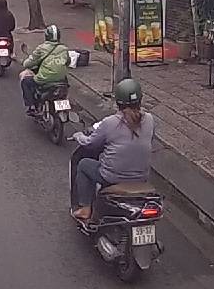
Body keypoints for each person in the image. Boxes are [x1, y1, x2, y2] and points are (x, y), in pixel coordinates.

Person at [69, 79, 154, 220]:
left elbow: (90, 143)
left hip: (113, 177)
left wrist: (78, 136)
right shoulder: (150, 119)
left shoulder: (110, 122)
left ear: (117, 102)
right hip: (142, 177)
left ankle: (85, 208)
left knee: (84, 164)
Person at [19, 24, 70, 113]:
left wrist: (25, 63)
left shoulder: (41, 48)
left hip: (45, 79)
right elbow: (68, 62)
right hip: (62, 80)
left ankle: (31, 106)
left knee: (26, 81)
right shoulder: (64, 49)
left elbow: (28, 63)